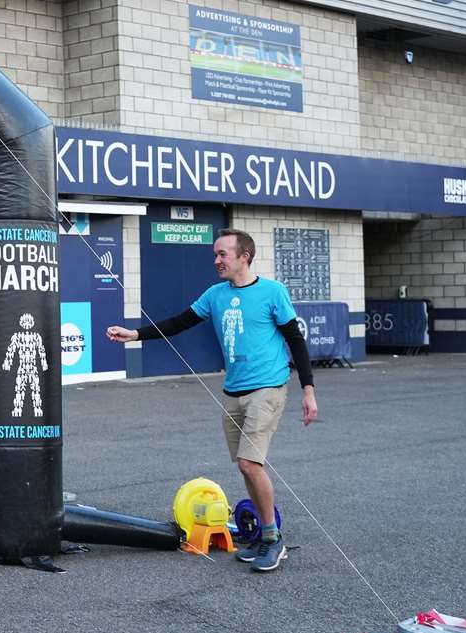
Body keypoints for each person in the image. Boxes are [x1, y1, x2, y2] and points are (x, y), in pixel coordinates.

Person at [105, 228, 318, 573]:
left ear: (244, 256)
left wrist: (308, 390)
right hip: (233, 390)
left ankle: (272, 538)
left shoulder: (272, 292)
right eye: (215, 255)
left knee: (251, 464)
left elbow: (295, 340)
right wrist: (135, 334)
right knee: (245, 464)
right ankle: (264, 534)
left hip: (268, 387)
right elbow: (181, 322)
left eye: (223, 254)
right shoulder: (216, 295)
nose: (216, 261)